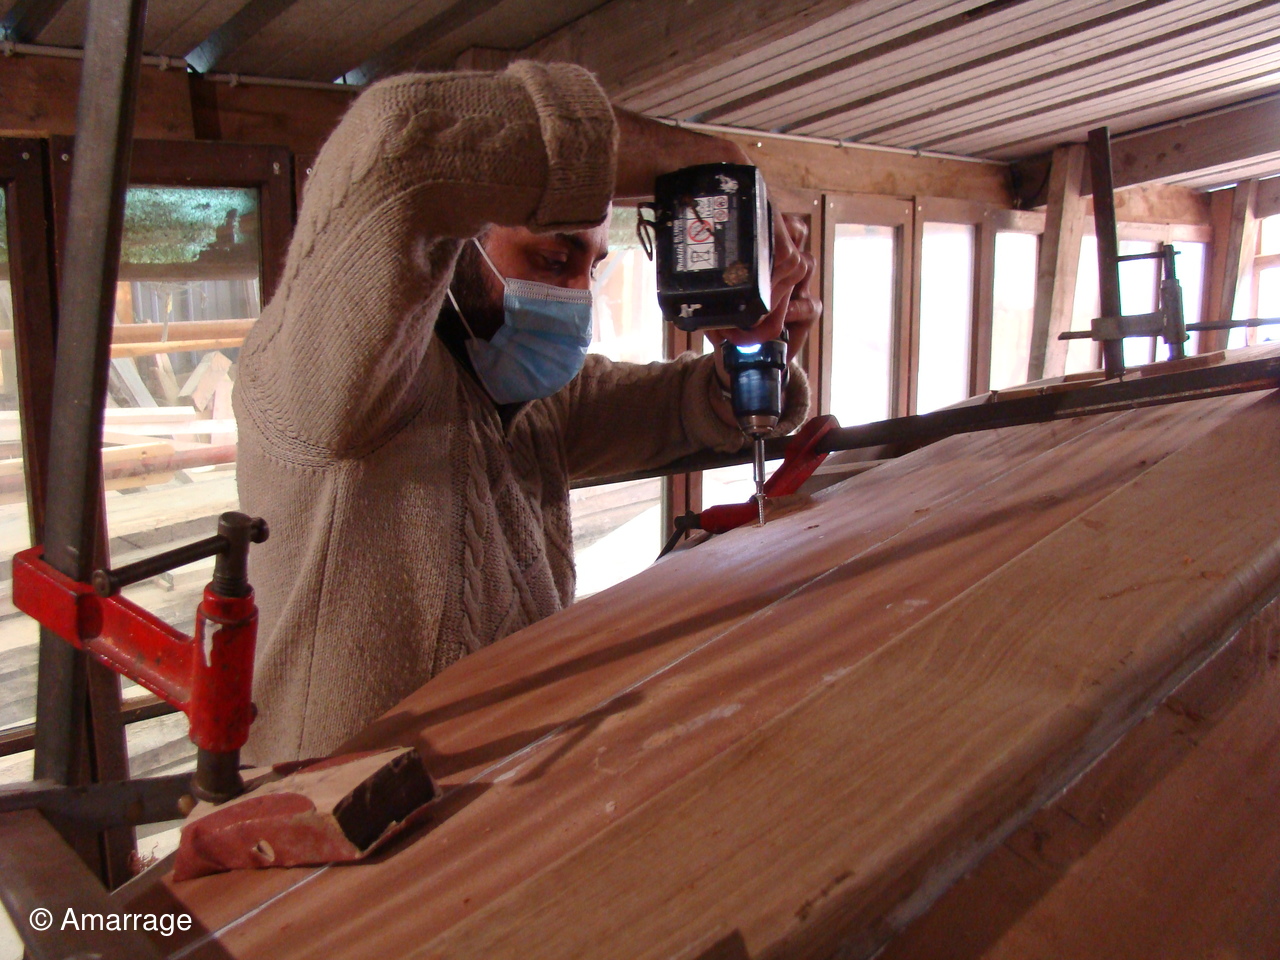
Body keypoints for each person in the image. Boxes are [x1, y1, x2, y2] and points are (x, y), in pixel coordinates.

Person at [235, 61, 820, 762]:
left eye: (590, 269)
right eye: (551, 260)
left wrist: (757, 354)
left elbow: (686, 407)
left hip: (508, 795)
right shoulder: (330, 379)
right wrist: (717, 162)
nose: (576, 296)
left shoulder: (530, 397)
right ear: (458, 245)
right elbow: (400, 141)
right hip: (327, 819)